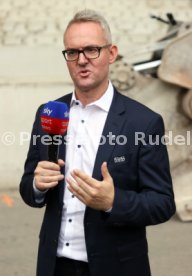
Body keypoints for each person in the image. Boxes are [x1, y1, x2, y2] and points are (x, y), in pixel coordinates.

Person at [20, 9, 176, 276]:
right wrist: (36, 185)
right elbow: (27, 187)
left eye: (92, 50)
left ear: (111, 53)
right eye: (72, 52)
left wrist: (114, 201)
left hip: (116, 267)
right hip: (54, 265)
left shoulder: (143, 123)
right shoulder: (49, 112)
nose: (82, 60)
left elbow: (162, 203)